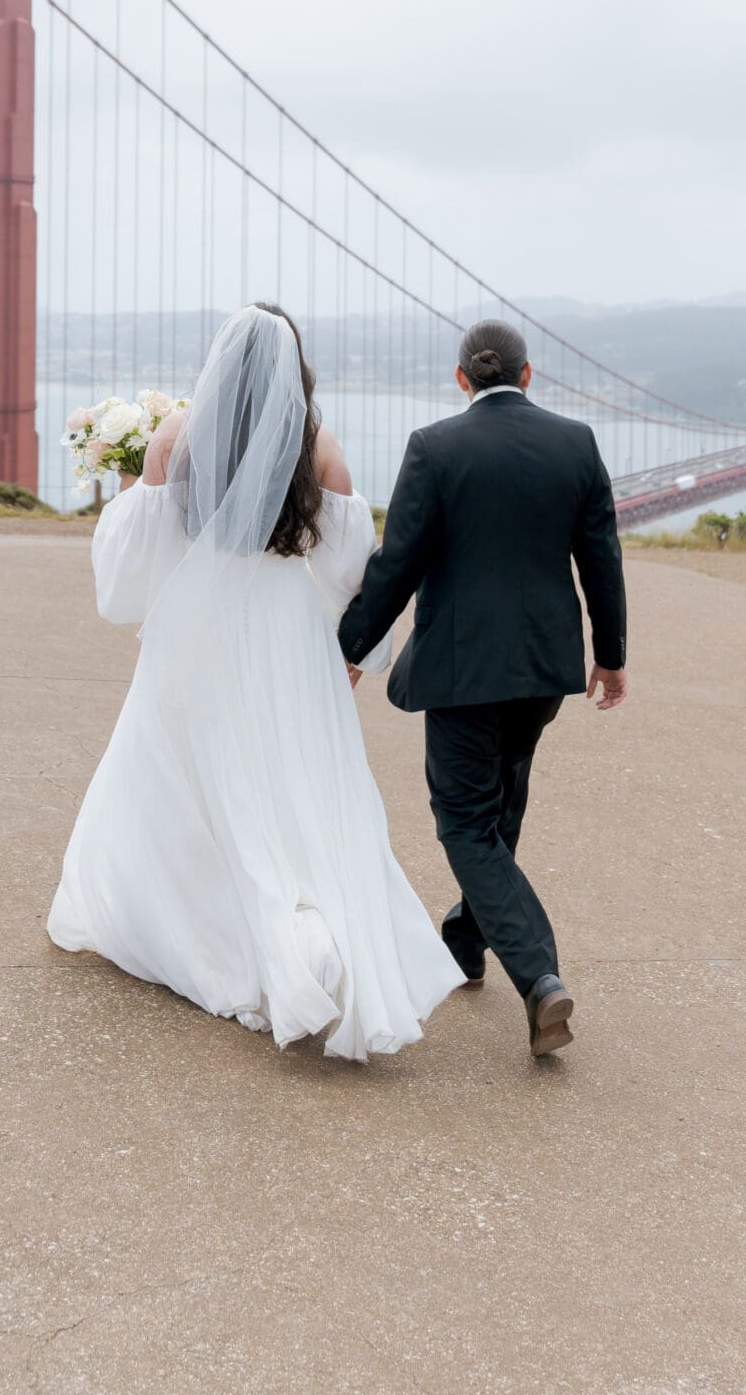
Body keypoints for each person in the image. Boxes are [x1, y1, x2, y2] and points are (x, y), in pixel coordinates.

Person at [47, 304, 464, 1060]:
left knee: (185, 781)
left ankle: (229, 934)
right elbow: (349, 572)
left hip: (196, 633)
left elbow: (131, 567)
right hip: (287, 635)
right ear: (291, 367)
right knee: (287, 785)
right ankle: (307, 936)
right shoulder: (321, 448)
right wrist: (353, 656)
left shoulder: (174, 438)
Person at [338, 318, 627, 1059]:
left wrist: (348, 646)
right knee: (500, 804)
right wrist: (611, 654)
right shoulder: (577, 443)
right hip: (544, 667)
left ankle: (538, 975)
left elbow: (397, 563)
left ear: (460, 377)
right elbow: (600, 557)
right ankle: (466, 944)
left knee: (465, 821)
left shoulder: (434, 447)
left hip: (464, 669)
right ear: (528, 376)